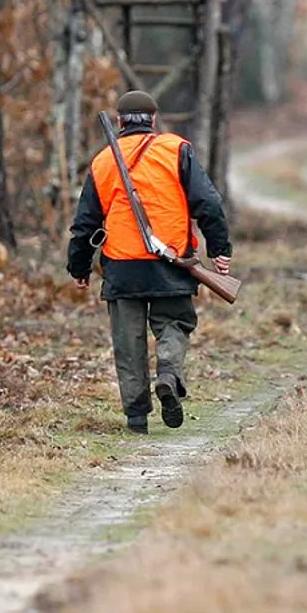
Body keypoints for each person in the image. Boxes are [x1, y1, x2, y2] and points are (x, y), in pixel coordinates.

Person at [66, 90, 233, 435]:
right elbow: (209, 203)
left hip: (122, 266)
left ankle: (137, 418)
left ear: (120, 122)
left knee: (129, 345)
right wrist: (220, 248)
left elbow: (85, 223)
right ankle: (168, 375)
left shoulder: (103, 161)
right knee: (174, 324)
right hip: (171, 261)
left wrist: (78, 267)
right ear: (153, 120)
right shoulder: (176, 149)